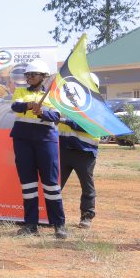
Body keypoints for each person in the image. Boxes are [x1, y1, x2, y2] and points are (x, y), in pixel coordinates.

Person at [10, 59, 68, 239]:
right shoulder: (20, 91)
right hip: (22, 141)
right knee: (28, 184)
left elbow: (57, 115)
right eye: (27, 75)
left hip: (45, 141)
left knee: (51, 184)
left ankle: (59, 225)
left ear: (43, 77)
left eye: (33, 75)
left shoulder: (53, 95)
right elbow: (15, 106)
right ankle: (30, 224)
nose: (29, 77)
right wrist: (29, 105)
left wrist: (42, 112)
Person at [57, 72, 101, 229]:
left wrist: (66, 121)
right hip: (64, 149)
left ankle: (87, 216)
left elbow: (90, 126)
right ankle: (52, 215)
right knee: (55, 185)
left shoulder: (97, 107)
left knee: (87, 187)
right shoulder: (67, 103)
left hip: (85, 152)